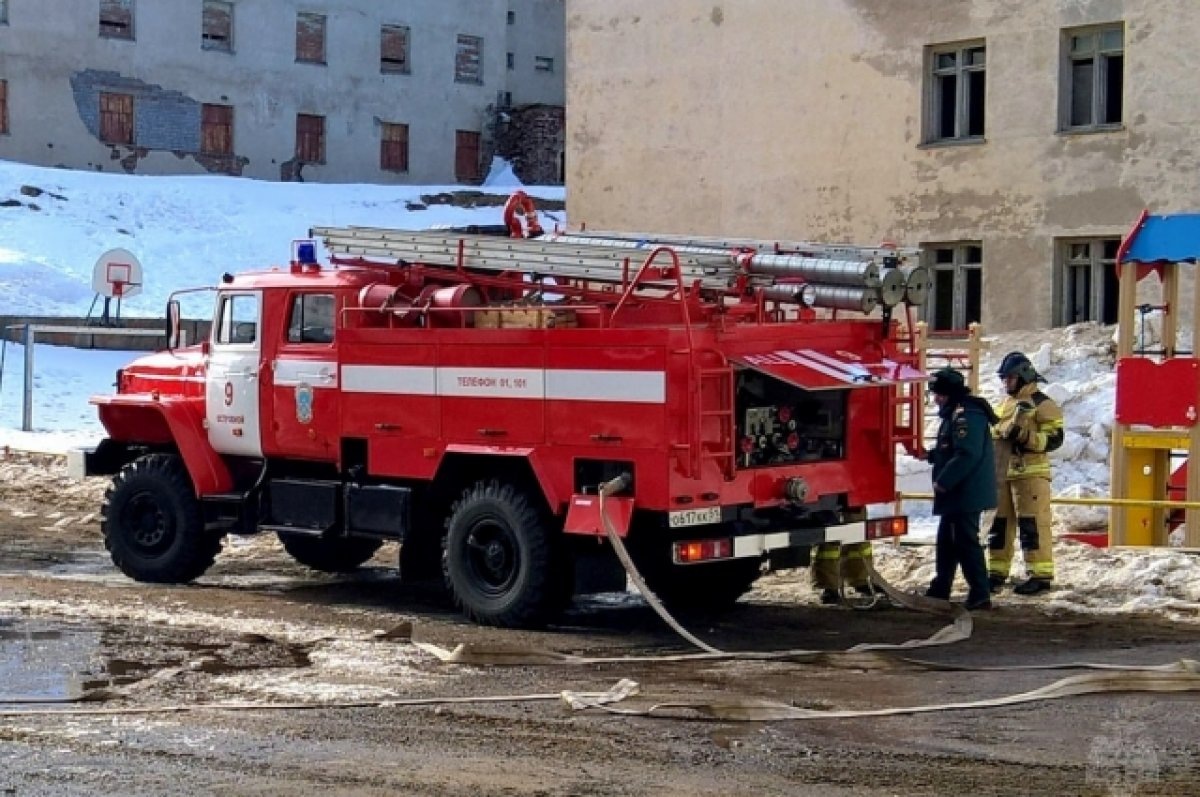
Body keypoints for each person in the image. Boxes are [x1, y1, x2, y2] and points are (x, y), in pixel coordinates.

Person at [988, 352, 1065, 596]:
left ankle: (1040, 575)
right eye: (1003, 379)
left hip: (1031, 475)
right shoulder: (1006, 405)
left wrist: (1025, 437)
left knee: (1032, 525)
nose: (1005, 383)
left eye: (1009, 378)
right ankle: (996, 572)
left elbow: (1055, 439)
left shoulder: (1043, 403)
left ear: (1023, 376)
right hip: (1004, 473)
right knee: (999, 526)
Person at [925, 367, 997, 610]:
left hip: (965, 492)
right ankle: (941, 586)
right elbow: (951, 448)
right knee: (947, 540)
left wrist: (944, 480)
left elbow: (968, 453)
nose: (936, 399)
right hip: (959, 493)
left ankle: (979, 592)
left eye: (939, 394)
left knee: (965, 541)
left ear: (950, 393)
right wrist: (930, 455)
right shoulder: (957, 413)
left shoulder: (966, 414)